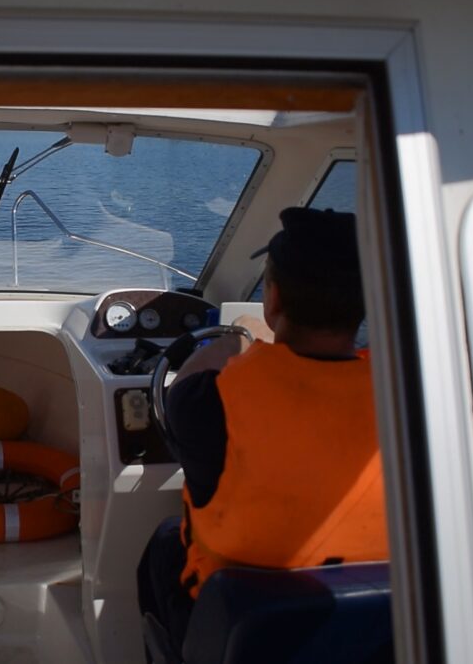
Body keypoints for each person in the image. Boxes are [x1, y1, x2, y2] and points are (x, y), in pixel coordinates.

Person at [137, 207, 389, 656]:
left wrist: (238, 336)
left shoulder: (206, 403)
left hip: (245, 631)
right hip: (370, 628)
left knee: (163, 544)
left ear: (272, 302)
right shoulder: (405, 400)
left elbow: (191, 374)